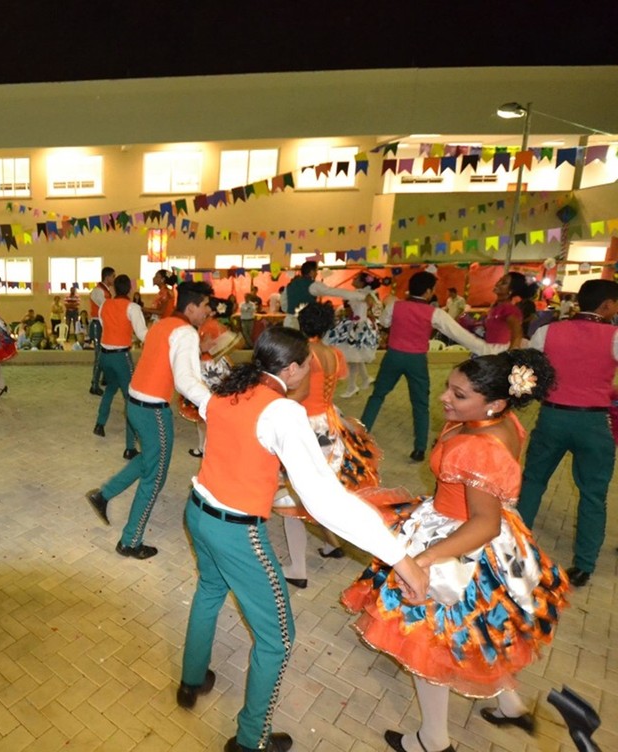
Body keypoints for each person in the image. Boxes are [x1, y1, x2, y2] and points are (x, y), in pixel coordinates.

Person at [178, 327, 428, 752]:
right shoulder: (282, 412)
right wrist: (400, 559)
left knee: (208, 591)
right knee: (277, 640)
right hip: (237, 533)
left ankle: (192, 680)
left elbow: (216, 416)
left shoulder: (227, 390)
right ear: (291, 370)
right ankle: (250, 740)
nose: (312, 371)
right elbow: (326, 502)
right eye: (309, 365)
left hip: (199, 511)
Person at [343, 350, 570, 752]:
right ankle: (509, 703)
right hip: (486, 539)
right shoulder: (502, 422)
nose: (446, 398)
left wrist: (424, 560)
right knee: (482, 627)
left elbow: (484, 521)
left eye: (459, 394)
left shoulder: (476, 445)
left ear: (495, 402)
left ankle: (432, 739)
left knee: (432, 641)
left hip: (460, 543)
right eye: (449, 386)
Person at [84, 281, 215, 560]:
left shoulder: (164, 325)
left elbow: (172, 364)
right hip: (153, 410)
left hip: (136, 403)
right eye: (206, 305)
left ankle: (104, 494)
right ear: (191, 307)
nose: (209, 310)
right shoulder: (185, 332)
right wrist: (213, 404)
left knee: (148, 460)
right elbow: (185, 380)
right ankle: (130, 541)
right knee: (155, 476)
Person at [517, 278, 618, 588]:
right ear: (605, 305)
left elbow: (528, 371)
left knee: (533, 482)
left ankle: (516, 549)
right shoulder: (614, 336)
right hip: (593, 423)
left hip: (552, 416)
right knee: (593, 494)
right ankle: (583, 566)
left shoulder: (547, 331)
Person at [277, 302, 382, 587]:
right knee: (319, 488)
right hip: (329, 422)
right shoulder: (335, 353)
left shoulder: (303, 354)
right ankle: (332, 542)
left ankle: (298, 569)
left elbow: (301, 393)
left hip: (305, 425)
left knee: (292, 497)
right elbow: (330, 388)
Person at [360, 272, 494, 462]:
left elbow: (384, 322)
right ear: (429, 291)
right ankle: (419, 448)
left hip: (393, 356)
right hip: (417, 360)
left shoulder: (395, 305)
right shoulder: (435, 312)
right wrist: (487, 349)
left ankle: (360, 437)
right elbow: (458, 334)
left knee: (377, 395)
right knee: (420, 403)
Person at [93, 275, 149, 459]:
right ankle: (129, 447)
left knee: (110, 388)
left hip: (104, 356)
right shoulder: (132, 307)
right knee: (130, 400)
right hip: (120, 357)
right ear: (130, 289)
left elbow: (105, 325)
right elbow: (142, 335)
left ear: (115, 288)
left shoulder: (104, 305)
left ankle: (100, 424)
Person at [179, 297, 240, 458]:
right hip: (214, 367)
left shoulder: (209, 325)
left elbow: (232, 342)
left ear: (212, 311)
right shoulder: (211, 325)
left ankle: (205, 447)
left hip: (209, 370)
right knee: (208, 411)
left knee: (205, 411)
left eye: (207, 306)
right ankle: (204, 446)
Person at [322, 271, 381, 397]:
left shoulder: (358, 294)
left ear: (361, 282)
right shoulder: (368, 294)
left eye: (356, 278)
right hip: (361, 325)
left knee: (353, 357)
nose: (353, 280)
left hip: (357, 326)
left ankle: (352, 386)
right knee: (355, 356)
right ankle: (364, 379)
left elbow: (360, 311)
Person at [88, 268, 116, 395]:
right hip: (97, 324)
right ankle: (94, 384)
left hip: (102, 324)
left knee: (106, 352)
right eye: (113, 276)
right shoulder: (98, 291)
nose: (114, 279)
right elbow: (106, 307)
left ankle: (104, 378)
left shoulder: (105, 291)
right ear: (107, 277)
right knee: (99, 354)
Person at [485, 271, 529, 349]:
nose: (498, 283)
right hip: (489, 350)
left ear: (511, 290)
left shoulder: (509, 309)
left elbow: (517, 335)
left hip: (499, 353)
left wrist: (509, 357)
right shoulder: (496, 306)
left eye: (503, 283)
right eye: (500, 280)